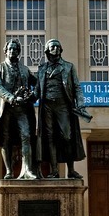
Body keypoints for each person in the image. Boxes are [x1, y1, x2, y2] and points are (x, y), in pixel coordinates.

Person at [35, 39, 88, 179]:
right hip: (47, 106)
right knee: (50, 137)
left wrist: (80, 103)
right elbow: (36, 91)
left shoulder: (68, 67)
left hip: (63, 105)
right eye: (53, 46)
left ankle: (70, 169)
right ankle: (54, 170)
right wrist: (24, 99)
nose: (56, 48)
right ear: (47, 50)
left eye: (58, 46)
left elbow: (76, 87)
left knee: (67, 136)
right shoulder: (42, 69)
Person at [0, 39, 39, 180]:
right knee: (6, 139)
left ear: (19, 52)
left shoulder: (25, 69)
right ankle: (9, 171)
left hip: (22, 109)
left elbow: (37, 84)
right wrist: (11, 98)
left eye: (15, 49)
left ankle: (27, 170)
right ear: (5, 51)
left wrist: (33, 96)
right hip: (5, 109)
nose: (13, 51)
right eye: (10, 49)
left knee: (26, 135)